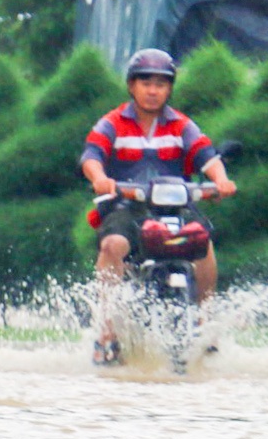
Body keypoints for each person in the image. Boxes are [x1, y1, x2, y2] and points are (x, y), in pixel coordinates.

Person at [82, 46, 235, 365]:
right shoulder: (111, 123)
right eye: (146, 82)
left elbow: (207, 156)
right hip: (128, 207)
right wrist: (100, 178)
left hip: (176, 208)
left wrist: (221, 180)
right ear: (131, 85)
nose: (153, 91)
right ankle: (107, 330)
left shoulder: (181, 125)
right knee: (112, 244)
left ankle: (204, 321)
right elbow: (92, 156)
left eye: (161, 84)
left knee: (202, 242)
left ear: (169, 88)